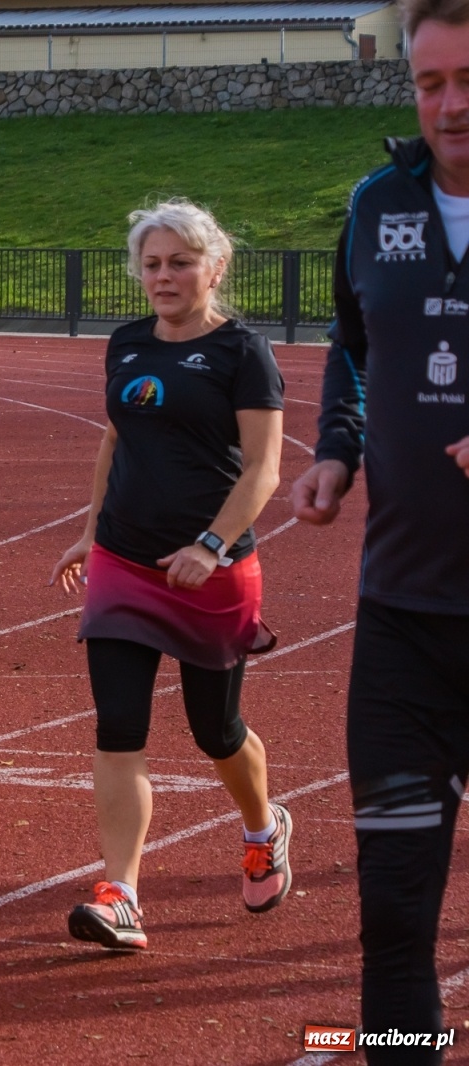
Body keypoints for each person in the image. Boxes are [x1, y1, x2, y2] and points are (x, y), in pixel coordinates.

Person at [289, 0, 469, 1053]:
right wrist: (335, 449)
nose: (451, 106)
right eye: (431, 82)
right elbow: (349, 348)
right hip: (401, 623)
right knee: (394, 913)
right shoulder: (373, 206)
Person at [49, 199, 291, 951]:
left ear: (213, 268)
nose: (164, 276)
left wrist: (211, 546)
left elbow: (265, 468)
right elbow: (115, 441)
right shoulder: (123, 344)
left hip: (210, 572)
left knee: (214, 731)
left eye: (180, 263)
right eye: (151, 264)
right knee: (119, 727)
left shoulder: (242, 352)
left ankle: (263, 826)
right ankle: (121, 892)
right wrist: (90, 533)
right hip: (123, 561)